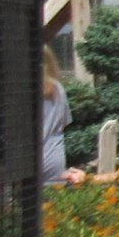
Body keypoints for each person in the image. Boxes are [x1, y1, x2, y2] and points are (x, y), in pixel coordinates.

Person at [42, 50, 75, 187]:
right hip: (54, 159)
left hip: (27, 162)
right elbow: (64, 122)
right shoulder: (57, 89)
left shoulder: (20, 89)